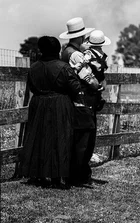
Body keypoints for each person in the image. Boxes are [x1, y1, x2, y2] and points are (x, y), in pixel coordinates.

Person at [19, 36, 84, 189]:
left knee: (38, 137)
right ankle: (57, 177)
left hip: (39, 104)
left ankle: (38, 174)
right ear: (56, 49)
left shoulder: (34, 67)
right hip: (60, 104)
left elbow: (32, 88)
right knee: (60, 138)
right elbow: (75, 88)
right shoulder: (64, 67)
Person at [59, 17, 102, 187]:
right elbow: (88, 77)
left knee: (77, 139)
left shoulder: (66, 51)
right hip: (81, 99)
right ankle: (79, 176)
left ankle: (75, 174)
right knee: (84, 141)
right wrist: (97, 86)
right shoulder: (76, 55)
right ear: (80, 38)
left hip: (73, 99)